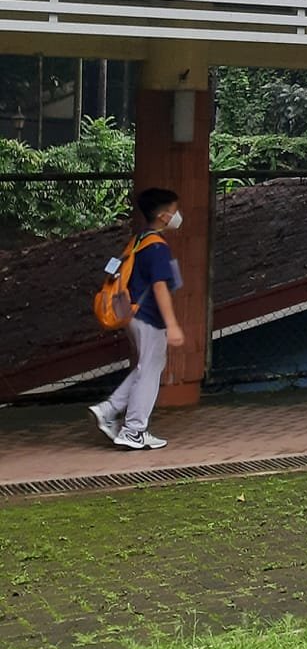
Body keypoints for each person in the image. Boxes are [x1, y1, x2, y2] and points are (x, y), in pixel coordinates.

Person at [89, 187, 185, 452]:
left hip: (131, 313)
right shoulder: (158, 247)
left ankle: (108, 410)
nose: (178, 216)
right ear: (165, 216)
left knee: (147, 367)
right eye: (175, 211)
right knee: (150, 371)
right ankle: (133, 430)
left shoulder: (138, 240)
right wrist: (173, 324)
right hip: (148, 316)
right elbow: (160, 287)